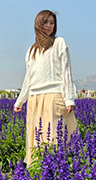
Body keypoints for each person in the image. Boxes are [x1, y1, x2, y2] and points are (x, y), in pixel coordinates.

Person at [13, 10, 78, 166]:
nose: (49, 26)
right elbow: (29, 78)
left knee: (56, 139)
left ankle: (61, 176)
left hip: (54, 96)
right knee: (35, 140)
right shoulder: (31, 51)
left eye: (52, 23)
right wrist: (20, 101)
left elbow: (66, 71)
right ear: (38, 25)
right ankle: (37, 175)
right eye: (45, 22)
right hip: (34, 99)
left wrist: (69, 98)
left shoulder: (59, 42)